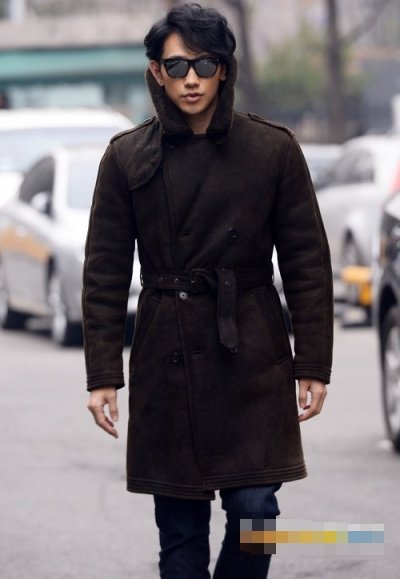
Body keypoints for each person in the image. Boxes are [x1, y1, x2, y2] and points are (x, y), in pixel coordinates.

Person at [83, 3, 333, 578]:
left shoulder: (272, 149)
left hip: (252, 351)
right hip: (166, 355)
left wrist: (313, 363)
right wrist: (102, 375)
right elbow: (104, 272)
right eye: (176, 66)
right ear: (156, 72)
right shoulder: (126, 156)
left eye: (204, 64)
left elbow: (307, 264)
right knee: (181, 535)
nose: (190, 79)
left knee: (256, 513)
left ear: (225, 68)